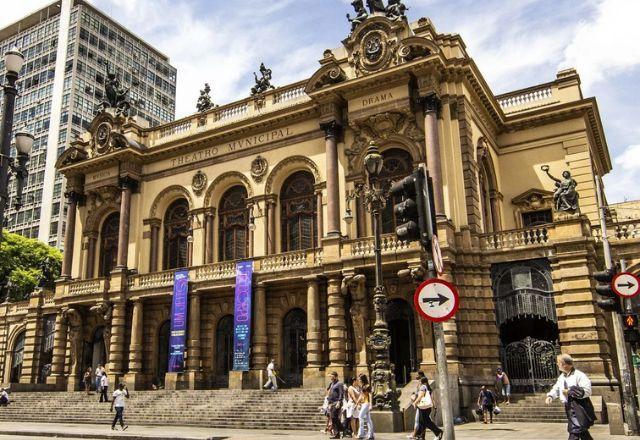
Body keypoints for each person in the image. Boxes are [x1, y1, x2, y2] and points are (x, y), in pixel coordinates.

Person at [545, 354, 595, 440]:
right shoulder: (562, 377)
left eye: (558, 362)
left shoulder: (579, 375)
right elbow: (556, 388)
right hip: (569, 406)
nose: (557, 364)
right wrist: (550, 396)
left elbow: (587, 391)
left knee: (575, 430)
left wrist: (570, 391)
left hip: (579, 405)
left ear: (564, 364)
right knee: (581, 431)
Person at [327, 371, 344, 439]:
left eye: (332, 376)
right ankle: (338, 433)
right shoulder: (331, 384)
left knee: (334, 417)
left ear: (336, 376)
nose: (331, 378)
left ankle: (342, 429)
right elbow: (329, 393)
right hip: (331, 403)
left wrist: (339, 402)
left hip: (336, 403)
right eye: (330, 376)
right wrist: (329, 402)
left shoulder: (339, 384)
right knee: (334, 418)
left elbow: (341, 393)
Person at [356, 374, 374, 440]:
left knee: (360, 417)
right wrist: (357, 403)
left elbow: (370, 395)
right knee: (368, 419)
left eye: (360, 379)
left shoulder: (367, 386)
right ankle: (370, 435)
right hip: (364, 403)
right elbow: (361, 395)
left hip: (367, 403)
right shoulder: (362, 386)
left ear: (362, 379)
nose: (359, 380)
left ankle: (361, 434)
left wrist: (371, 404)